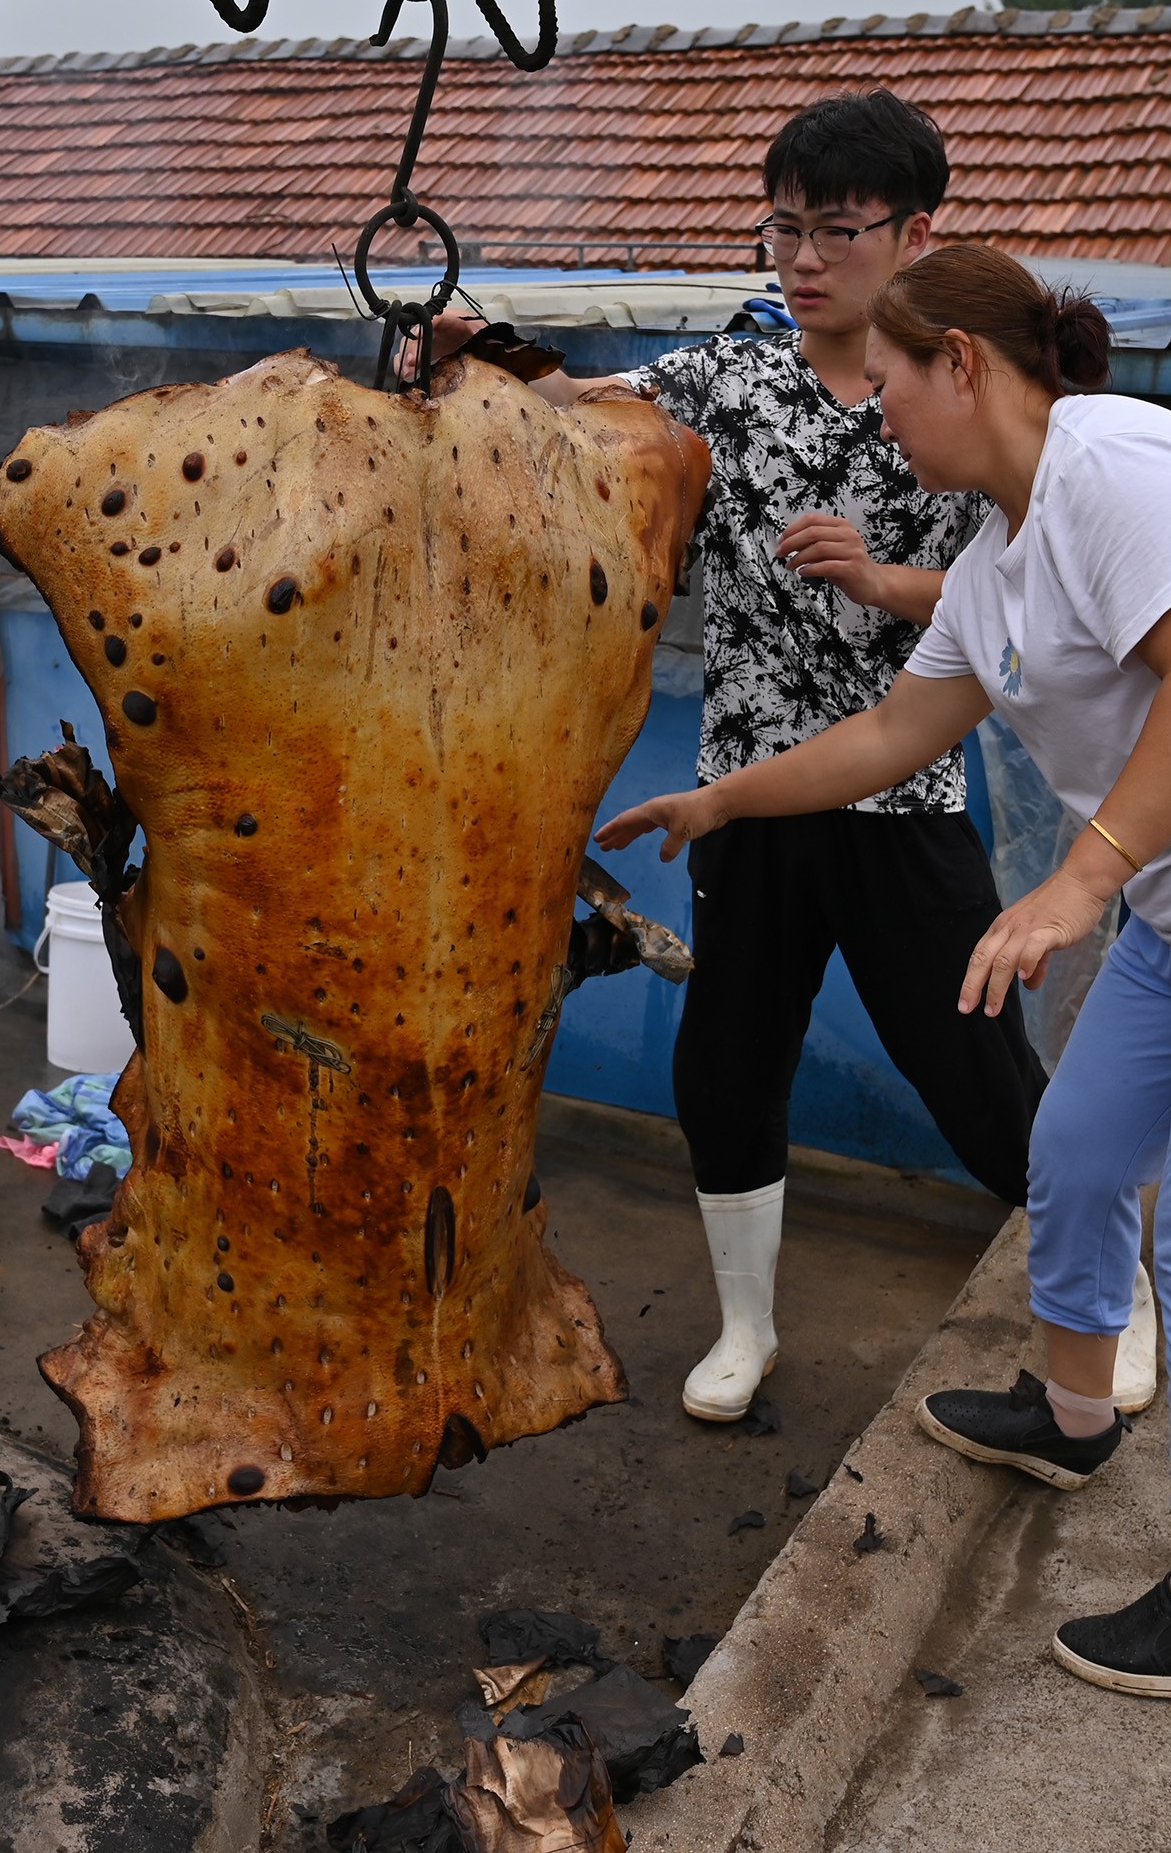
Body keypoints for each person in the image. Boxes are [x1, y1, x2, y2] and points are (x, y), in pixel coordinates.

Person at [598, 243, 1171, 1710]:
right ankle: (1068, 1413)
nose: (879, 419)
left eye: (892, 386)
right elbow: (890, 736)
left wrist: (1082, 874)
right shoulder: (992, 567)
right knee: (1070, 1147)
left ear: (965, 367)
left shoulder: (1119, 463)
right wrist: (720, 801)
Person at [438, 88, 1053, 1426]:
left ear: (914, 233)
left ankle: (1105, 1299)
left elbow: (1039, 593)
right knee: (725, 1059)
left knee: (978, 1068)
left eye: (835, 229)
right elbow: (583, 411)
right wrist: (480, 348)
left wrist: (891, 582)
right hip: (745, 789)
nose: (804, 257)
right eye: (782, 228)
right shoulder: (729, 374)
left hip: (903, 788)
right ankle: (746, 1325)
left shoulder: (962, 383)